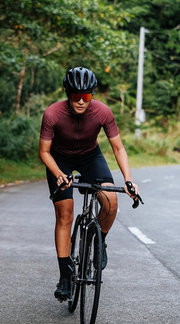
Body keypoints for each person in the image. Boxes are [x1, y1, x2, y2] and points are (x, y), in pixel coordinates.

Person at [39, 67, 139, 301]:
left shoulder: (103, 112)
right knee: (65, 213)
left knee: (110, 201)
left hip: (90, 157)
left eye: (87, 96)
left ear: (92, 95)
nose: (81, 101)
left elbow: (118, 147)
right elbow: (44, 152)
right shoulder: (53, 114)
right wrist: (59, 174)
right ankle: (65, 276)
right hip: (59, 159)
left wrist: (128, 180)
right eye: (76, 96)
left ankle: (100, 242)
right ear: (68, 94)